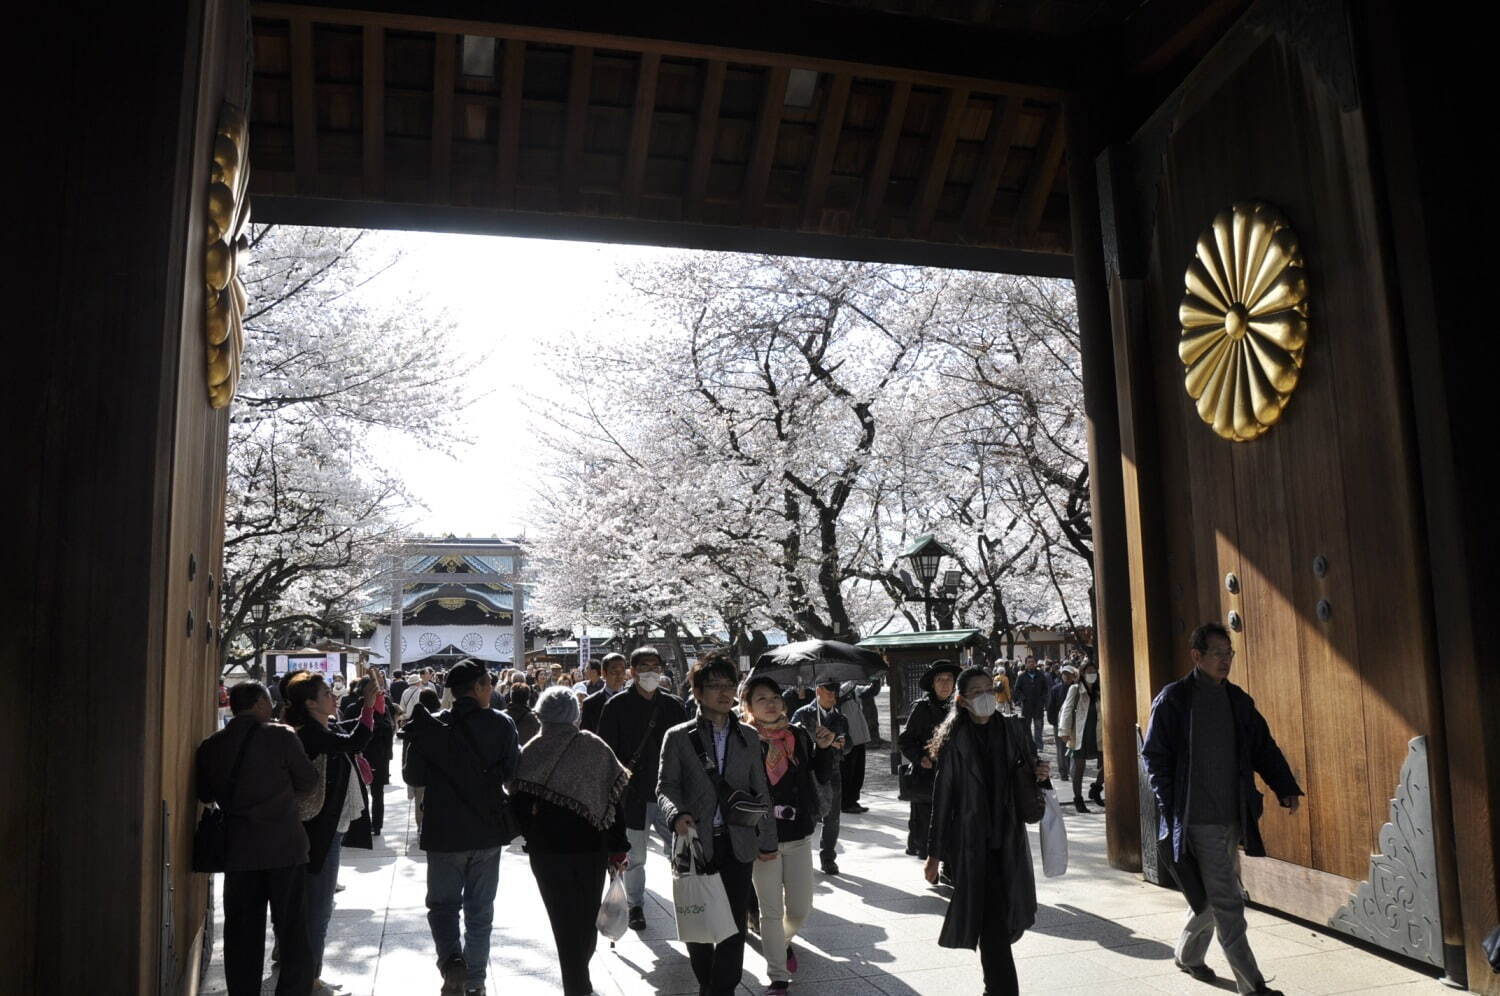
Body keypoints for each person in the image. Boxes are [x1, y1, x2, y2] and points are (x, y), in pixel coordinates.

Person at [1142, 622, 1303, 996]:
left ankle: (1188, 955)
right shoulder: (1175, 700)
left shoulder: (1237, 700)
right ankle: (1253, 985)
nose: (1226, 660)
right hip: (1196, 818)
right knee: (1228, 901)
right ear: (1197, 656)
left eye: (1229, 654)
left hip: (1234, 815)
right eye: (1218, 653)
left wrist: (1285, 787)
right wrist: (1173, 805)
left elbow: (1263, 745)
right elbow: (1154, 757)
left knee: (1211, 898)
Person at [657, 652, 779, 996]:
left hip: (736, 841)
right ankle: (706, 981)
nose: (724, 693)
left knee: (733, 923)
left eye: (729, 686)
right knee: (698, 921)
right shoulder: (678, 736)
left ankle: (722, 988)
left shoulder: (749, 738)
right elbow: (666, 786)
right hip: (693, 841)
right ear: (697, 691)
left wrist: (767, 840)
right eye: (714, 686)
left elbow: (761, 791)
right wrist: (675, 814)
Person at [924, 666, 1048, 996]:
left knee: (1006, 919)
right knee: (992, 922)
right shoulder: (954, 741)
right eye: (977, 693)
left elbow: (1031, 771)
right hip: (970, 844)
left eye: (989, 690)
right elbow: (943, 798)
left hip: (1008, 839)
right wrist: (933, 855)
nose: (986, 697)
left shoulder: (1012, 729)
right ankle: (1001, 990)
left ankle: (994, 988)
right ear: (963, 701)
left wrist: (1040, 772)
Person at [402, 659, 521, 996]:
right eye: (489, 685)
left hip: (443, 831)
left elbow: (414, 777)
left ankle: (452, 960)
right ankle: (475, 982)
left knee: (442, 906)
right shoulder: (502, 724)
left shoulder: (431, 725)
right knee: (480, 912)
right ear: (480, 688)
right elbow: (513, 774)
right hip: (486, 830)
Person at [196, 681, 320, 996]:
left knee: (242, 933)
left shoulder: (212, 745)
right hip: (284, 847)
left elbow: (205, 793)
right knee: (292, 929)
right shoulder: (281, 736)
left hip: (240, 850)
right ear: (260, 703)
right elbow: (308, 780)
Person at [510, 686, 630, 996]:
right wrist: (618, 847)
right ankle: (579, 981)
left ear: (541, 714)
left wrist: (535, 828)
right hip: (591, 847)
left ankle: (577, 982)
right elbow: (615, 800)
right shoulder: (595, 747)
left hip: (547, 852)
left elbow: (517, 805)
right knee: (587, 915)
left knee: (562, 920)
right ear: (574, 715)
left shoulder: (531, 750)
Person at [284, 670, 377, 994]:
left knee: (312, 905)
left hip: (326, 828)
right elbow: (355, 740)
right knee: (318, 909)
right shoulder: (311, 733)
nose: (334, 696)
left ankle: (299, 968)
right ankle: (309, 978)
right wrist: (367, 705)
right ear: (310, 703)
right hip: (319, 830)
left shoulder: (322, 727)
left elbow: (349, 737)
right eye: (326, 693)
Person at [743, 675, 836, 993]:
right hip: (762, 838)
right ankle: (778, 975)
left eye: (775, 697)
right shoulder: (742, 738)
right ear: (749, 706)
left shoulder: (797, 734)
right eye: (761, 698)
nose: (770, 703)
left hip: (797, 834)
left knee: (799, 908)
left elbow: (818, 775)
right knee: (770, 910)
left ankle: (778, 942)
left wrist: (824, 749)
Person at [598, 644, 688, 931]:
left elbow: (686, 749)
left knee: (680, 850)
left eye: (655, 666)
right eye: (644, 667)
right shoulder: (616, 706)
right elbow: (606, 751)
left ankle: (689, 904)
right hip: (632, 796)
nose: (651, 672)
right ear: (632, 672)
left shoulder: (674, 705)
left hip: (669, 793)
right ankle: (635, 905)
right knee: (635, 856)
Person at [897, 660, 959, 859]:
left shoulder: (961, 707)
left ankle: (949, 863)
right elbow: (905, 740)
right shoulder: (922, 708)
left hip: (954, 775)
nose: (944, 684)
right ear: (932, 684)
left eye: (948, 679)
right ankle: (929, 861)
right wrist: (921, 757)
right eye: (939, 679)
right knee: (926, 822)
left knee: (952, 820)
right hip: (927, 776)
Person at [791, 678, 849, 875]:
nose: (833, 693)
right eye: (828, 689)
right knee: (810, 815)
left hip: (833, 771)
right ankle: (802, 858)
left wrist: (837, 744)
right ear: (818, 690)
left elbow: (848, 747)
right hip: (809, 772)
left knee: (832, 817)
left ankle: (828, 857)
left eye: (835, 689)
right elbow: (793, 741)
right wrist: (817, 741)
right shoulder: (803, 714)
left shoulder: (840, 718)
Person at [342, 675, 395, 835]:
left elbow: (345, 733)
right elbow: (389, 731)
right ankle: (376, 826)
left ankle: (357, 826)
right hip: (377, 756)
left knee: (355, 790)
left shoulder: (352, 708)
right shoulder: (383, 709)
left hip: (358, 754)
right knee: (377, 793)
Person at [1059, 658, 1104, 813]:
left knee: (1108, 763)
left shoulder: (1099, 691)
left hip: (1098, 733)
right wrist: (1064, 731)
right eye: (1088, 671)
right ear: (1082, 673)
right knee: (1079, 768)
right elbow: (1067, 709)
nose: (1092, 674)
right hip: (1080, 733)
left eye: (1094, 671)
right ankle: (1078, 799)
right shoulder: (1075, 689)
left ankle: (1096, 788)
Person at [836, 677, 881, 814]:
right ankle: (845, 802)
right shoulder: (835, 690)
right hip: (847, 738)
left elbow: (870, 691)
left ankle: (853, 800)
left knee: (858, 772)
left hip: (859, 736)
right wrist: (854, 678)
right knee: (847, 771)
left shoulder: (854, 689)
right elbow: (840, 695)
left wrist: (876, 679)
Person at [579, 652, 629, 733]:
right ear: (604, 673)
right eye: (614, 671)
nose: (619, 675)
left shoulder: (634, 700)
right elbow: (586, 737)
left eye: (622, 671)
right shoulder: (590, 703)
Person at [1047, 665, 1078, 782]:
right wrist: (1054, 722)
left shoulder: (1077, 688)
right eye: (1064, 674)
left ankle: (1073, 771)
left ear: (1073, 676)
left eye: (1068, 674)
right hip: (1059, 723)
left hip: (1074, 723)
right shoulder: (1055, 689)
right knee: (1061, 748)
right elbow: (1051, 707)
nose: (1066, 676)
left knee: (1073, 747)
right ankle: (1063, 772)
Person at [1012, 658, 1049, 753]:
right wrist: (1022, 698)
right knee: (1026, 727)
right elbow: (1016, 690)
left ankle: (1039, 746)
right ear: (1026, 664)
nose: (1031, 664)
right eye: (1029, 662)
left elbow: (1046, 689)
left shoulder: (1041, 675)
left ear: (1035, 663)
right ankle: (1028, 746)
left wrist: (1043, 700)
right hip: (1026, 706)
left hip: (1038, 706)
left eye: (1033, 662)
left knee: (1038, 727)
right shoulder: (1021, 676)